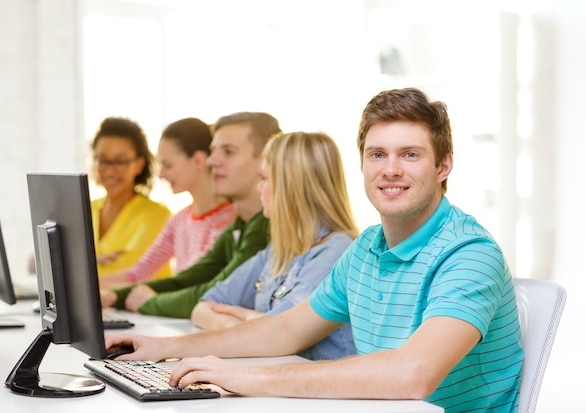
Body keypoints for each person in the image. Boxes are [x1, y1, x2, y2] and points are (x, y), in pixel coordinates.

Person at [105, 88, 524, 412]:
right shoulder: (367, 249)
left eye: (410, 155)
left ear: (443, 166)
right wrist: (164, 348)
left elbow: (412, 374)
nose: (391, 169)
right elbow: (286, 329)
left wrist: (250, 378)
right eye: (377, 154)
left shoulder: (469, 254)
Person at [191, 131, 359, 360]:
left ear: (290, 186)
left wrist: (253, 325)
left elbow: (284, 333)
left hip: (324, 391)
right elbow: (203, 306)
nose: (259, 188)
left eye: (263, 178)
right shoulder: (279, 250)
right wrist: (239, 325)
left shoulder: (335, 252)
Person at [100, 112, 281, 318]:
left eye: (228, 152)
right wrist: (116, 297)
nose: (212, 161)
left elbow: (214, 294)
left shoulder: (263, 226)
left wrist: (150, 302)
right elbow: (189, 279)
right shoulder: (240, 225)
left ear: (266, 161)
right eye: (213, 151)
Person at [98, 117, 237, 290]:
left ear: (198, 161)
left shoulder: (228, 222)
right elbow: (138, 274)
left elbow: (193, 285)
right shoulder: (179, 220)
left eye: (167, 165)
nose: (161, 175)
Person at [91, 117, 171, 278]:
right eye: (103, 160)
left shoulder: (157, 215)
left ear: (139, 165)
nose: (110, 170)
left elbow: (130, 275)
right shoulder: (83, 209)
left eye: (120, 161)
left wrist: (82, 263)